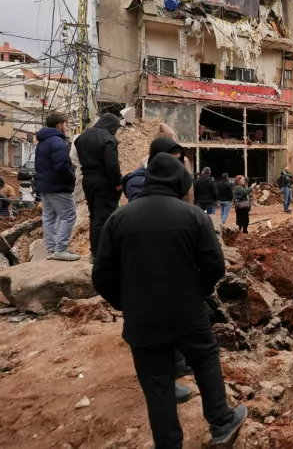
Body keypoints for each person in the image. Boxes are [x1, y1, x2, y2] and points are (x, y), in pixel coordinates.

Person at [92, 153, 247, 448]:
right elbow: (215, 265)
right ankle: (221, 422)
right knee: (205, 359)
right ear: (180, 182)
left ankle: (167, 443)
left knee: (157, 382)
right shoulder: (194, 217)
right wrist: (199, 291)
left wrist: (126, 303)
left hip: (142, 319)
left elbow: (101, 276)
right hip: (187, 311)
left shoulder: (118, 219)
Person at [121, 137, 199, 403]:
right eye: (173, 161)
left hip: (169, 266)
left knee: (172, 322)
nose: (177, 167)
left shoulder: (172, 182)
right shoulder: (137, 182)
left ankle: (177, 365)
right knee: (156, 333)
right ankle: (163, 386)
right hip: (146, 269)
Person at [75, 112, 123, 257]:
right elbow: (112, 164)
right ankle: (101, 254)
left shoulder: (83, 136)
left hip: (87, 180)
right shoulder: (108, 138)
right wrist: (118, 182)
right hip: (104, 182)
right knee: (104, 217)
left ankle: (95, 252)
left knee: (95, 216)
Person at [36, 113, 80, 261]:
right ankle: (60, 249)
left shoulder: (42, 142)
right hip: (58, 186)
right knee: (69, 215)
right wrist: (71, 178)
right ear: (59, 125)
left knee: (49, 217)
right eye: (66, 125)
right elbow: (61, 166)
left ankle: (52, 249)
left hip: (45, 186)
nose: (67, 128)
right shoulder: (57, 141)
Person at [123, 137, 185, 202]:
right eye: (171, 161)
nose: (176, 165)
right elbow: (141, 206)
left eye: (178, 160)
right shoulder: (137, 181)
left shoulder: (174, 177)